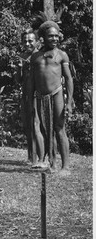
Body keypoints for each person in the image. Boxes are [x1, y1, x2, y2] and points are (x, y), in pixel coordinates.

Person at [29, 21, 74, 175]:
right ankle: (47, 161)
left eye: (56, 36)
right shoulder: (35, 57)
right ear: (43, 37)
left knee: (59, 129)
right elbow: (32, 81)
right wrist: (29, 101)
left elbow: (68, 79)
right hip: (40, 97)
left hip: (57, 94)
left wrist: (69, 102)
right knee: (40, 128)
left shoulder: (62, 55)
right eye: (50, 36)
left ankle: (65, 166)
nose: (54, 39)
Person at [17, 29, 40, 163]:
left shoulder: (40, 56)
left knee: (38, 126)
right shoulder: (22, 56)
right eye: (25, 41)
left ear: (36, 42)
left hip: (38, 96)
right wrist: (19, 67)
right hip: (26, 96)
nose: (27, 44)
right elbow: (18, 80)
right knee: (28, 126)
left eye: (30, 41)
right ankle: (31, 156)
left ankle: (41, 157)